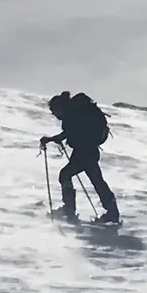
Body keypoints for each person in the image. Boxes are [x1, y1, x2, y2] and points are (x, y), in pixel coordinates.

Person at [38, 91, 119, 223]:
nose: (54, 114)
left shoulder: (72, 113)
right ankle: (112, 211)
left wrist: (52, 139)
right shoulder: (75, 111)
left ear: (59, 106)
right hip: (88, 150)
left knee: (65, 175)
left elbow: (71, 131)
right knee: (97, 181)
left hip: (85, 151)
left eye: (53, 110)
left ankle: (69, 211)